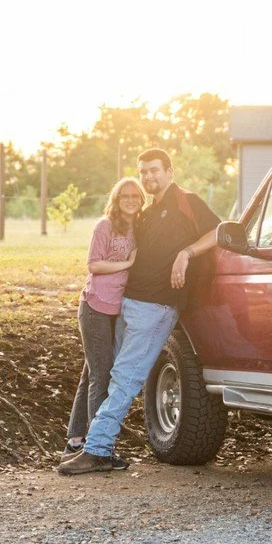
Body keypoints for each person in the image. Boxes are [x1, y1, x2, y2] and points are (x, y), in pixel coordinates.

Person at [58, 147, 220, 475]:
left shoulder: (187, 201)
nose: (148, 176)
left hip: (157, 308)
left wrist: (186, 253)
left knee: (125, 379)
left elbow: (219, 231)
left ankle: (98, 449)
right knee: (102, 373)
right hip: (127, 305)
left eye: (155, 170)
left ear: (170, 172)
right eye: (143, 171)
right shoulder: (147, 211)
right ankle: (81, 442)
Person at [62, 178, 141, 461]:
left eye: (135, 195)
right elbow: (94, 265)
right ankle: (98, 447)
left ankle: (76, 440)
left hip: (118, 310)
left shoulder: (140, 227)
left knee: (91, 372)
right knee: (101, 373)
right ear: (116, 198)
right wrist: (127, 264)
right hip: (95, 306)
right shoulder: (104, 225)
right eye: (125, 195)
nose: (130, 199)